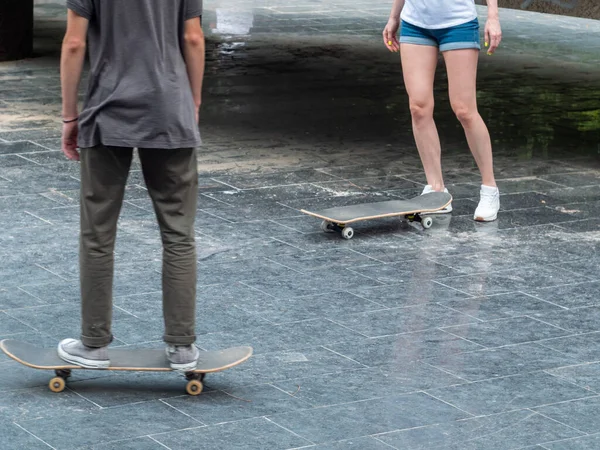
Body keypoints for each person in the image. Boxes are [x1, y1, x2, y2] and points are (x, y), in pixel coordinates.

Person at [57, 0, 205, 370]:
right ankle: (182, 346)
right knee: (178, 233)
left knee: (97, 233)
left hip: (107, 113)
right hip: (169, 109)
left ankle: (93, 345)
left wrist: (69, 115)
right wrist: (193, 101)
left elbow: (74, 44)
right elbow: (193, 37)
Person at [383, 0, 502, 221]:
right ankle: (436, 190)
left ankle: (489, 189)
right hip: (415, 22)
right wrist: (394, 16)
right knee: (418, 107)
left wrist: (493, 17)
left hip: (458, 23)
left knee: (464, 110)